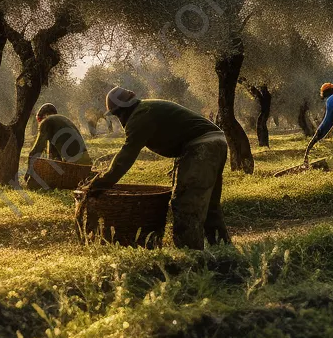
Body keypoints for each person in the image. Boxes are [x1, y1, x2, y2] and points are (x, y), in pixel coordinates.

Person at [85, 86, 231, 250]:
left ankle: (190, 255)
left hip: (202, 146)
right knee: (209, 205)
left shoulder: (139, 117)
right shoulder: (147, 108)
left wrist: (101, 183)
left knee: (186, 204)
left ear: (123, 110)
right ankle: (223, 251)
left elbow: (126, 157)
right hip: (216, 141)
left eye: (117, 114)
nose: (119, 119)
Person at [24, 103, 92, 187]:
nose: (39, 123)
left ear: (44, 115)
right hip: (86, 163)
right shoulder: (62, 120)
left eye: (39, 120)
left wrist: (28, 172)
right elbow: (54, 156)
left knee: (33, 185)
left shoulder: (46, 122)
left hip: (74, 166)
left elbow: (36, 151)